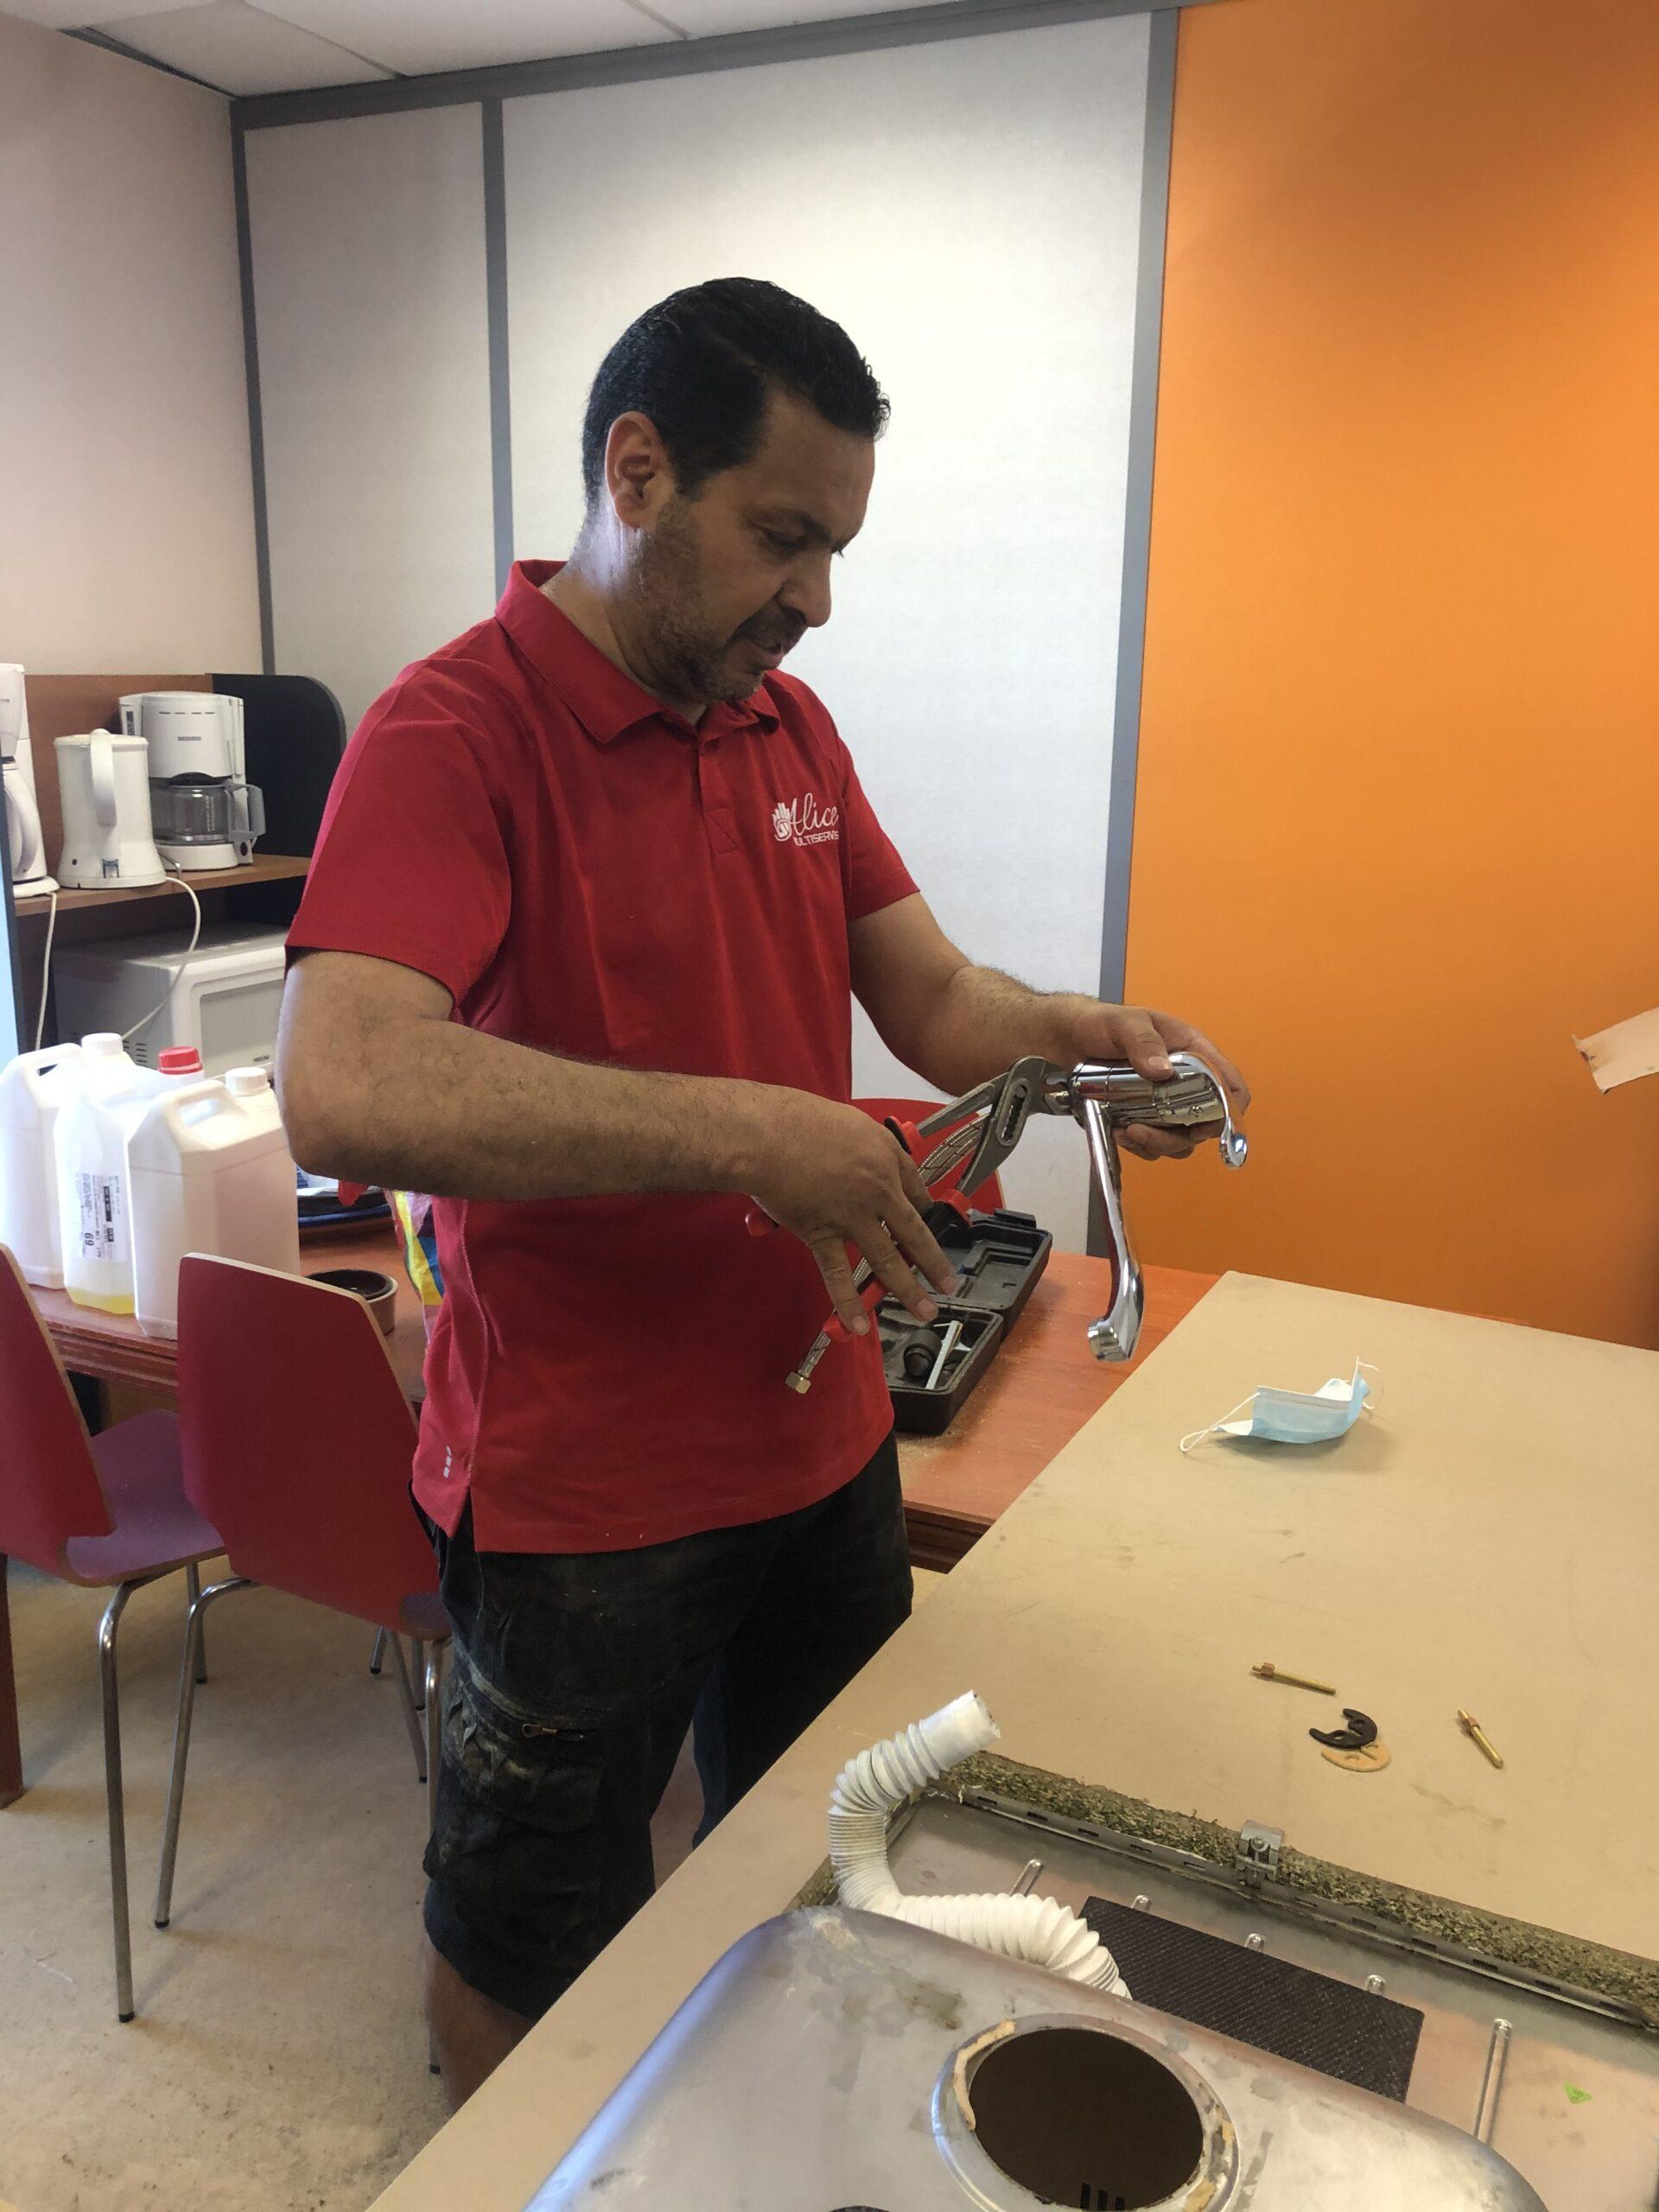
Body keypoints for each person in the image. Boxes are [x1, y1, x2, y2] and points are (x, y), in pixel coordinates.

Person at [276, 276, 1248, 2105]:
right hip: (584, 1500)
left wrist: (1084, 1040)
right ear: (639, 473)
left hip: (821, 1449)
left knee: (825, 1877)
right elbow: (344, 1079)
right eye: (783, 537)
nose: (815, 598)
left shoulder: (785, 727)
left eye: (834, 550)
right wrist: (747, 1130)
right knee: (528, 1954)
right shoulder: (452, 732)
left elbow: (935, 999)